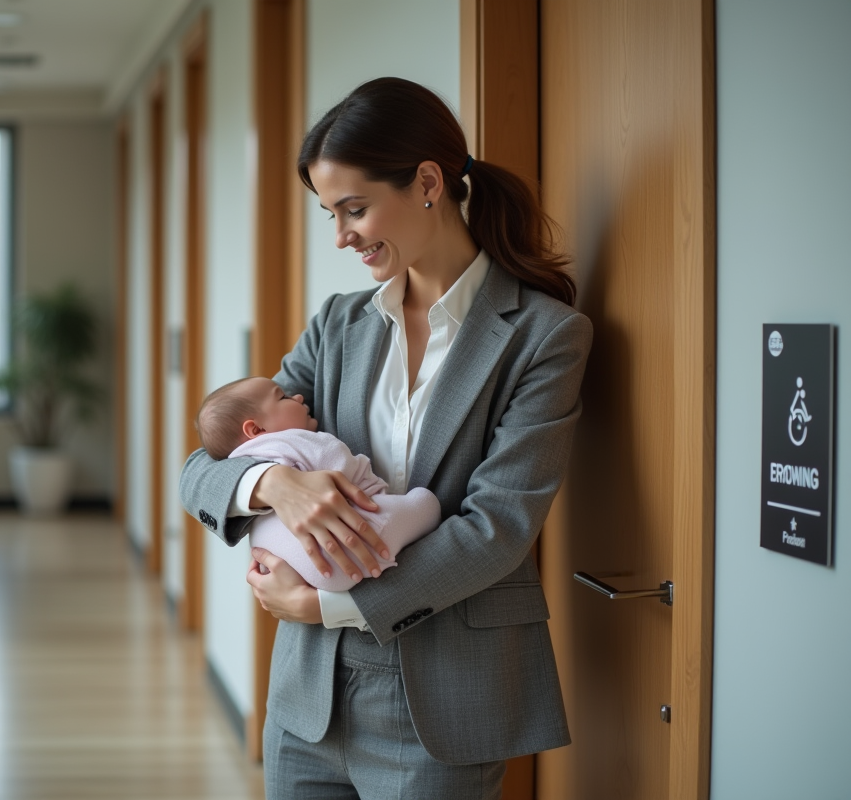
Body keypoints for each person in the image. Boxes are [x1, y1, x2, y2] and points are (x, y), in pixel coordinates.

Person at [179, 77, 592, 799]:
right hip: (308, 699)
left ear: (429, 182)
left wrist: (327, 606)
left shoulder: (543, 338)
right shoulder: (338, 325)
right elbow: (202, 467)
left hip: (443, 699)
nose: (340, 237)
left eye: (355, 209)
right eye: (328, 215)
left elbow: (500, 526)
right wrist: (274, 483)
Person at [195, 375, 442, 592]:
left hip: (282, 564)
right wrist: (374, 486)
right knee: (425, 504)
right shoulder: (299, 441)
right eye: (283, 397)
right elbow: (343, 469)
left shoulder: (238, 457)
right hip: (339, 555)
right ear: (256, 428)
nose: (299, 396)